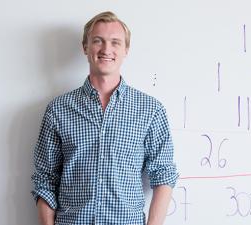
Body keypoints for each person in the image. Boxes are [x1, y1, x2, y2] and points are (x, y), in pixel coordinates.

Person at [31, 11, 178, 225]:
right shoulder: (58, 110)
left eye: (115, 42)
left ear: (126, 50)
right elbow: (45, 178)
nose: (106, 49)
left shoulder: (150, 110)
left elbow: (163, 174)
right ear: (85, 47)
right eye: (97, 41)